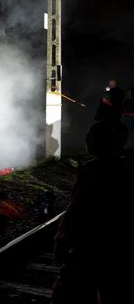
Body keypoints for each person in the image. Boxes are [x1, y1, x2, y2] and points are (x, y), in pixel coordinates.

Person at [51, 119, 134, 304]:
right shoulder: (126, 172)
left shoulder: (91, 172)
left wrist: (62, 239)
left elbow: (76, 210)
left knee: (65, 293)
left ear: (95, 142)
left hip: (88, 247)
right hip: (116, 249)